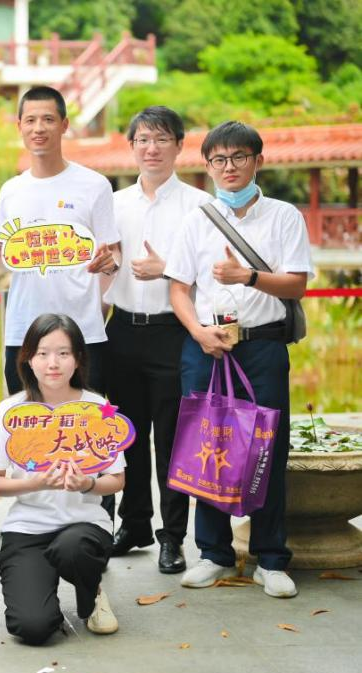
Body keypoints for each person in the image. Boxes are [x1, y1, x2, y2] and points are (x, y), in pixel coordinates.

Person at [166, 121, 312, 598]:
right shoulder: (196, 220)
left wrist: (246, 276)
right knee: (208, 442)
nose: (229, 168)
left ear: (258, 161)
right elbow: (179, 288)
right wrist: (197, 332)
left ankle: (271, 559)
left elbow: (296, 284)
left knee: (268, 446)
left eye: (238, 157)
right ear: (208, 166)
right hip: (207, 345)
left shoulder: (284, 216)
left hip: (263, 346)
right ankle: (214, 553)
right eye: (219, 160)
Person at [102, 107, 213, 574]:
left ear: (179, 146)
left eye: (162, 139)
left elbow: (212, 273)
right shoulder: (112, 204)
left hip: (174, 332)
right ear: (131, 146)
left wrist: (167, 268)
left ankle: (173, 538)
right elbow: (100, 264)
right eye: (143, 139)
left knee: (171, 440)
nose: (152, 148)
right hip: (122, 329)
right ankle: (133, 525)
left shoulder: (199, 205)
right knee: (125, 436)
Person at [0, 314, 124, 644]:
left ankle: (92, 594)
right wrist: (36, 483)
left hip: (84, 526)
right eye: (43, 353)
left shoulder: (98, 408)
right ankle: (41, 594)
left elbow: (117, 479)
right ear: (28, 359)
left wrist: (87, 484)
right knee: (32, 627)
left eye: (63, 353)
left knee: (72, 548)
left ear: (78, 359)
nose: (53, 363)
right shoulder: (10, 411)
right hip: (27, 528)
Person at [0, 86, 121, 396]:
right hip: (24, 330)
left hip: (83, 331)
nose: (39, 128)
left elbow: (113, 255)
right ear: (19, 126)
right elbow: (4, 263)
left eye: (48, 119)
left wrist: (103, 289)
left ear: (64, 125)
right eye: (30, 120)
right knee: (28, 420)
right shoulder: (11, 190)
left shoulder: (94, 185)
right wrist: (0, 253)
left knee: (85, 421)